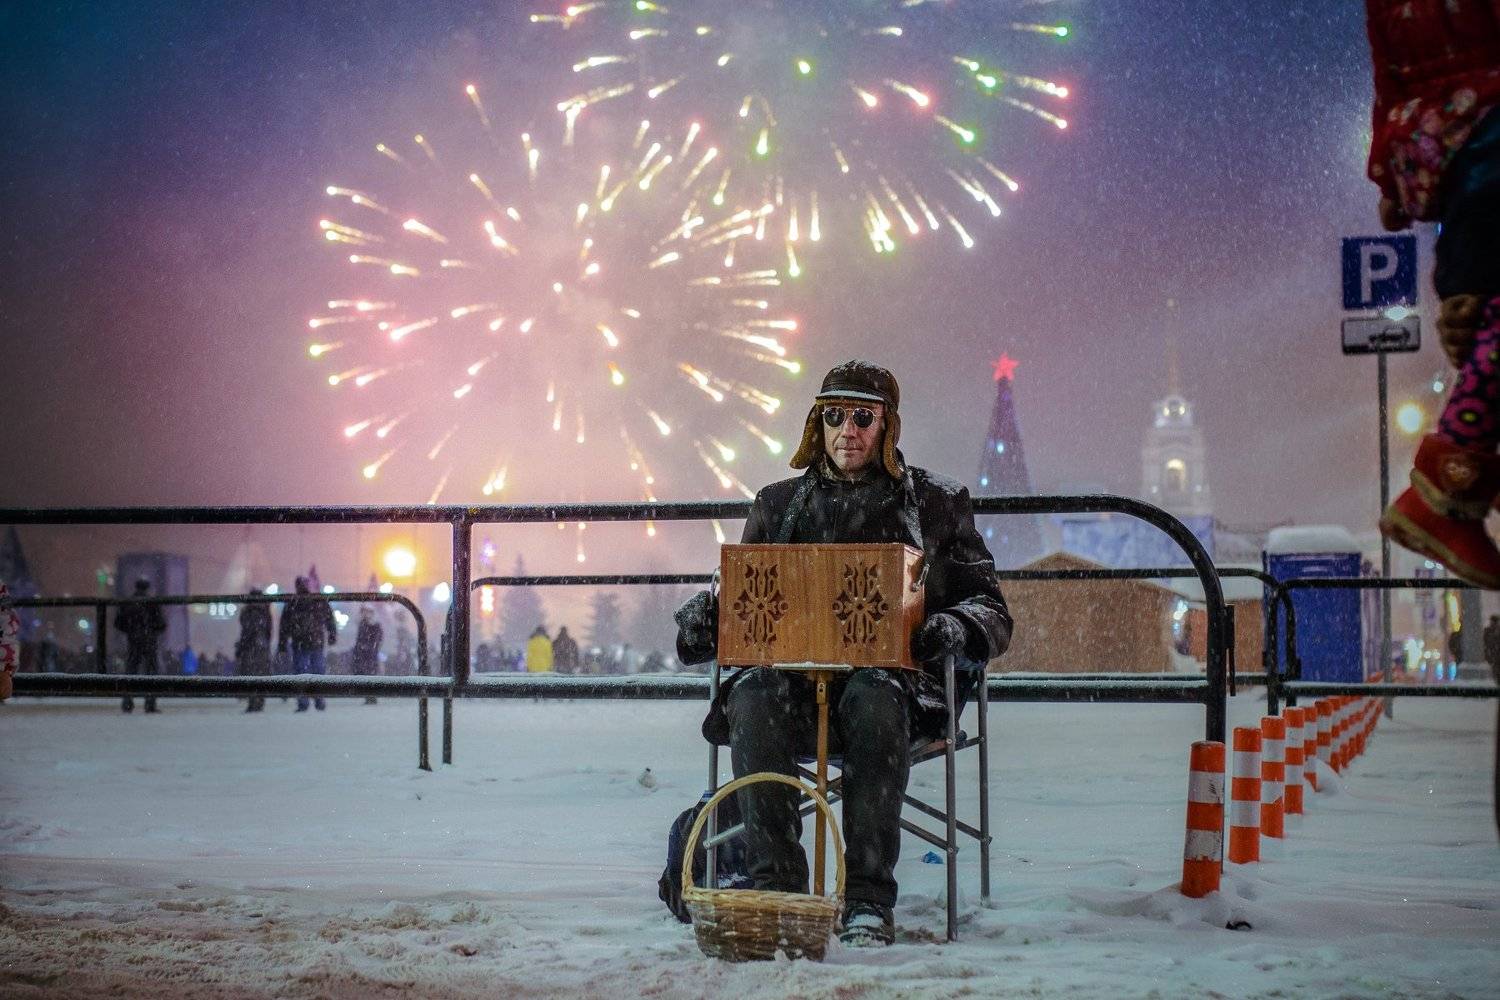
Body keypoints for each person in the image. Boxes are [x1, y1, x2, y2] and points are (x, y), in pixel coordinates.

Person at [675, 360, 1012, 947]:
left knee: (875, 695)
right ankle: (776, 887)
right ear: (817, 423)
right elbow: (735, 597)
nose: (848, 430)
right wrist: (706, 618)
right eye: (835, 416)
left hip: (899, 693)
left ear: (887, 426)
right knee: (752, 696)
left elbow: (990, 607)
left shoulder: (935, 504)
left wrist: (955, 627)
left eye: (862, 417)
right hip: (796, 691)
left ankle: (867, 900)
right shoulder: (777, 508)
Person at [1370, 2, 1500, 586]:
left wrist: (1388, 179)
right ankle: (1448, 486)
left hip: (1441, 164)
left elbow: (1387, 80)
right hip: (1487, 150)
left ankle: (1458, 486)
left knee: (1482, 329)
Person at [277, 576, 337, 712]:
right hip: (314, 642)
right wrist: (332, 635)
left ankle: (305, 702)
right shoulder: (317, 601)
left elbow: (284, 625)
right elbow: (329, 619)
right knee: (317, 672)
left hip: (301, 643)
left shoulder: (293, 603)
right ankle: (317, 700)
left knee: (301, 673)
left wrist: (282, 643)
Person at [115, 578, 167, 714]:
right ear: (147, 588)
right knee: (151, 673)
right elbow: (161, 624)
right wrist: (151, 631)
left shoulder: (127, 603)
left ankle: (127, 702)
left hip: (133, 640)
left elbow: (118, 622)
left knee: (130, 671)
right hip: (149, 641)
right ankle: (150, 703)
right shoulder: (152, 603)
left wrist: (131, 630)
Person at [235, 589, 273, 712]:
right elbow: (268, 630)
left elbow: (246, 630)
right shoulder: (265, 611)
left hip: (251, 646)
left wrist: (241, 646)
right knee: (260, 675)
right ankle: (259, 701)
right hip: (261, 646)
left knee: (251, 675)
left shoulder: (248, 612)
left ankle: (253, 701)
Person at [351, 606, 384, 704]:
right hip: (363, 653)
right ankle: (369, 696)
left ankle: (371, 696)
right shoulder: (362, 624)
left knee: (370, 674)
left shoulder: (374, 624)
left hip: (369, 654)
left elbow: (377, 639)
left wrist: (369, 647)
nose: (364, 614)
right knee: (366, 674)